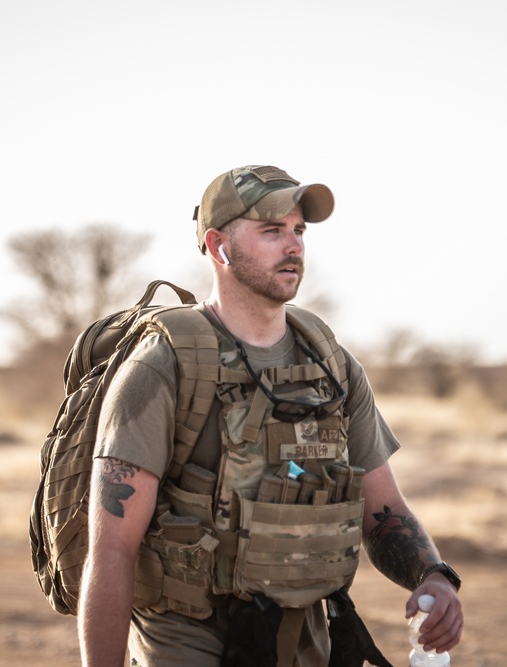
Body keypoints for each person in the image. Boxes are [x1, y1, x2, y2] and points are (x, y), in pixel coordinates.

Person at [78, 165, 464, 667]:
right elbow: (112, 551)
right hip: (188, 641)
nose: (295, 246)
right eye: (271, 230)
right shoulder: (163, 366)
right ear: (218, 247)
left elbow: (382, 507)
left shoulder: (331, 363)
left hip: (304, 637)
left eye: (299, 230)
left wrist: (433, 575)